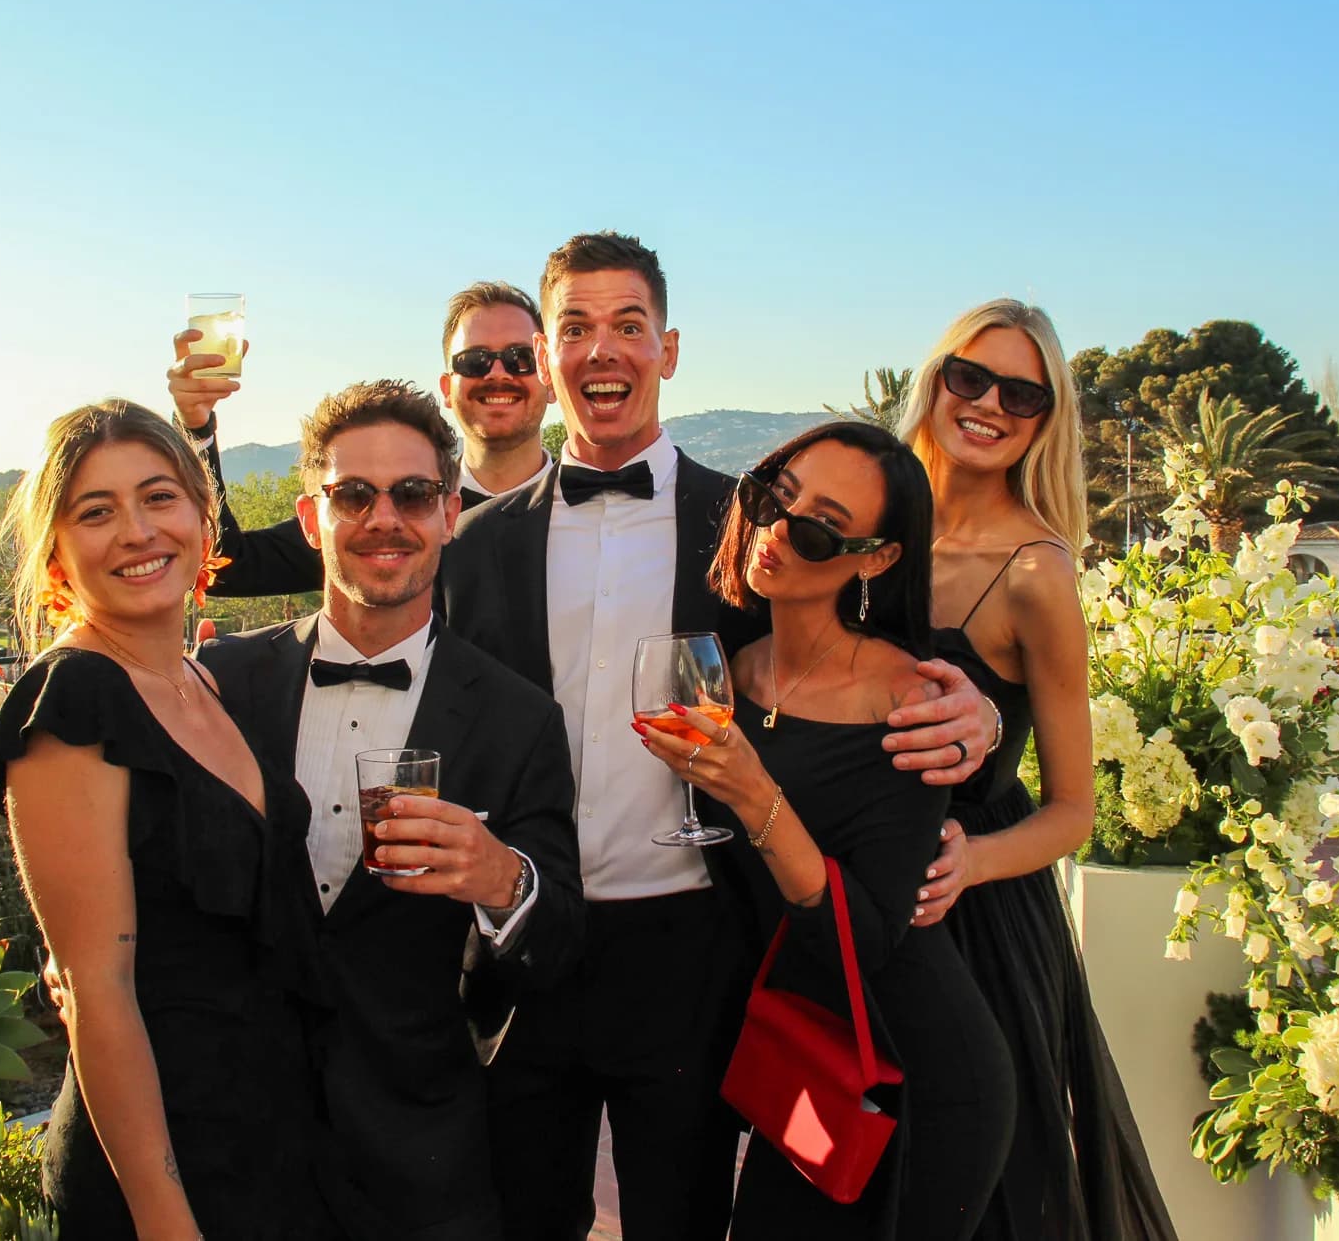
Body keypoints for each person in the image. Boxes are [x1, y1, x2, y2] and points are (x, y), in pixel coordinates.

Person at [440, 231, 1003, 1241]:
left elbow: (870, 643)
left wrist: (983, 712)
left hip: (693, 950)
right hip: (528, 935)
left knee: (683, 1220)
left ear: (669, 348)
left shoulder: (748, 522)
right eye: (574, 328)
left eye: (627, 325)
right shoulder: (476, 547)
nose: (601, 350)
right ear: (547, 352)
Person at [194, 379, 582, 1240]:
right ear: (309, 516)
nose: (384, 518)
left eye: (411, 494)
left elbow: (558, 935)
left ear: (449, 514)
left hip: (424, 1157)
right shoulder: (220, 687)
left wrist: (499, 876)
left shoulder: (519, 717)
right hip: (239, 1143)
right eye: (353, 494)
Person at [0, 399, 339, 1241]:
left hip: (266, 1137)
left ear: (204, 517)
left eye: (159, 497)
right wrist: (166, 1218)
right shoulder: (73, 698)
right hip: (167, 1175)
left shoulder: (201, 681)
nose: (137, 531)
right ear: (57, 550)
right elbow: (99, 993)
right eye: (96, 511)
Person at [640, 420, 1014, 1238]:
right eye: (778, 495)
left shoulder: (909, 700)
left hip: (912, 1064)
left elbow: (873, 933)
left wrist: (753, 793)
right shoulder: (731, 674)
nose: (778, 530)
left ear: (876, 558)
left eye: (817, 527)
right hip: (802, 1049)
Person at [898, 300, 1176, 1240]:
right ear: (935, 381)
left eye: (1021, 391)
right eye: (968, 376)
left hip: (973, 924)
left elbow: (1071, 812)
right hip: (851, 893)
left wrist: (971, 862)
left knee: (974, 1199)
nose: (987, 404)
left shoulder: (1036, 570)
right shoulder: (870, 523)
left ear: (1047, 417)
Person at [171, 279, 553, 597]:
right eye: (474, 361)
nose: (497, 374)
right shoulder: (383, 507)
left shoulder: (606, 514)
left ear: (549, 377)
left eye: (521, 358)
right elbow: (226, 567)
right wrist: (195, 427)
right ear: (447, 390)